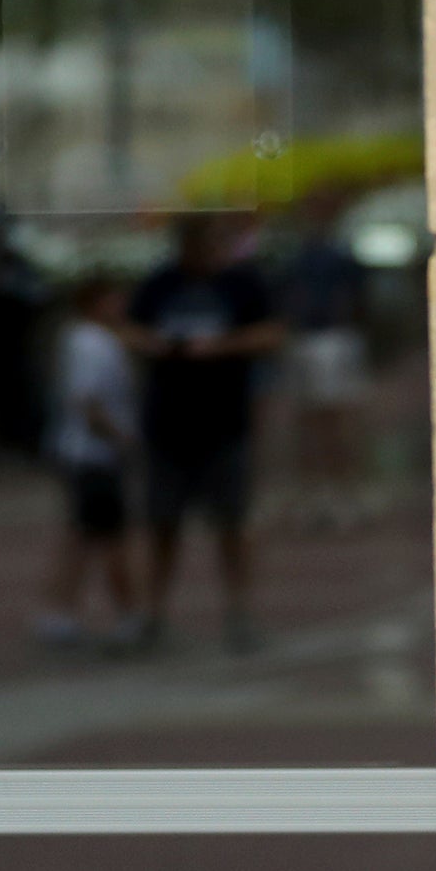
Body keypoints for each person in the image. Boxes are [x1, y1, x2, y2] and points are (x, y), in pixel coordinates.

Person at [122, 212, 286, 650]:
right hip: (169, 423)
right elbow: (130, 328)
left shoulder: (243, 283)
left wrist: (222, 346)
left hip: (224, 422)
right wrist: (155, 344)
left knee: (231, 524)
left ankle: (240, 612)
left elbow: (271, 333)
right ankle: (153, 615)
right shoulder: (160, 284)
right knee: (162, 524)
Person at [35, 275, 142, 647]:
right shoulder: (91, 344)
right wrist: (121, 438)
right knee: (108, 538)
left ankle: (60, 612)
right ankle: (127, 613)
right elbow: (87, 400)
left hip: (84, 454)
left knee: (81, 537)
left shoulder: (85, 340)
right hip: (93, 456)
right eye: (114, 300)